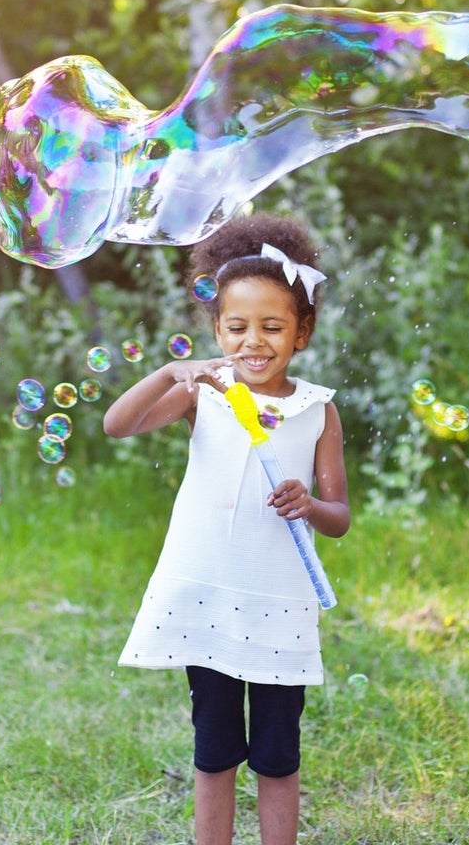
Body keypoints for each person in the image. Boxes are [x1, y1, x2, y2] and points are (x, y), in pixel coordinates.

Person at [102, 212, 351, 845]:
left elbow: (340, 516)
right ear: (217, 330)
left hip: (279, 602)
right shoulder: (206, 394)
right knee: (214, 749)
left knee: (277, 751)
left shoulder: (317, 410)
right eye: (237, 327)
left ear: (303, 332)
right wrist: (171, 373)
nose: (253, 341)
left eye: (273, 326)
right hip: (209, 595)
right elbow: (117, 424)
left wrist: (309, 505)